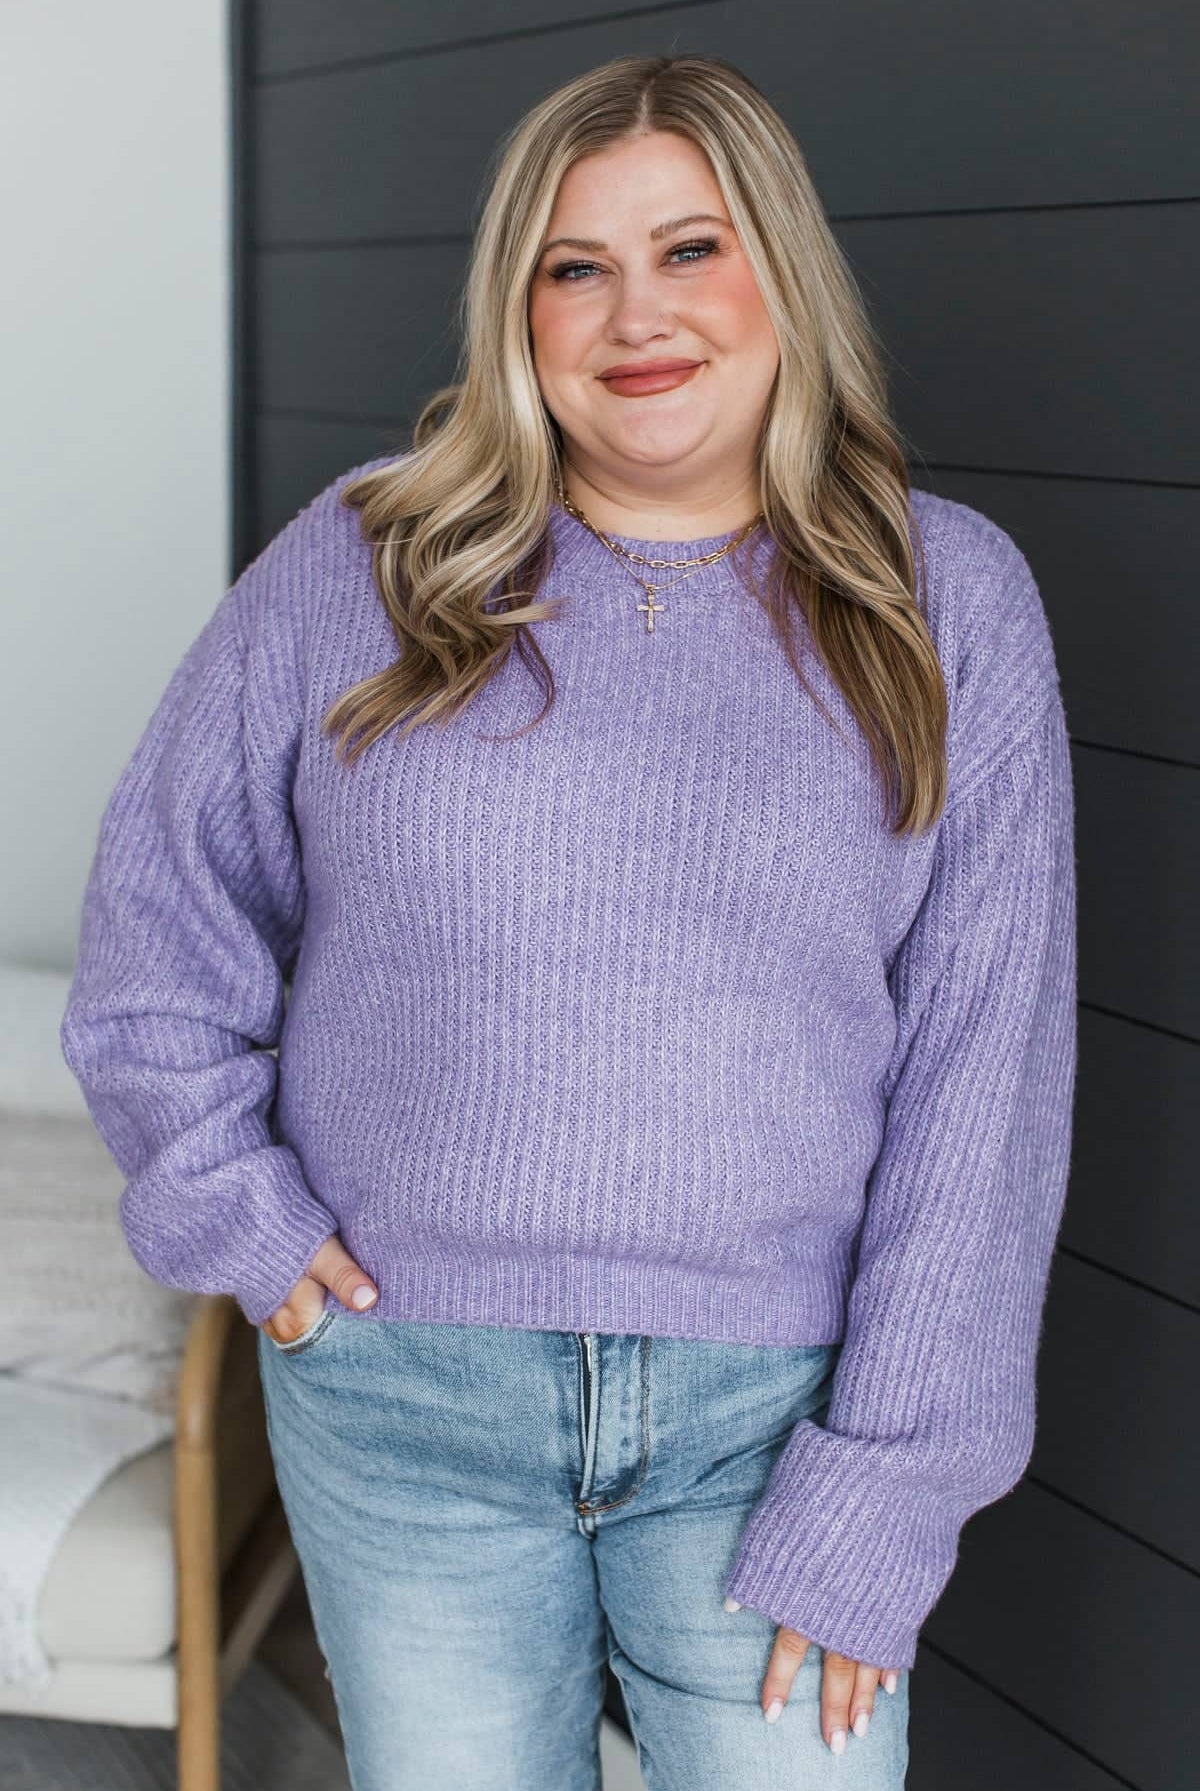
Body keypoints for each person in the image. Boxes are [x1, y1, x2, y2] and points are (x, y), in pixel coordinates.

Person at [59, 52, 1077, 1791]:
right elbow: (159, 935)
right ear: (516, 309)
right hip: (404, 1401)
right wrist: (250, 1233)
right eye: (574, 265)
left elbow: (986, 1085)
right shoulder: (364, 562)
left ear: (784, 270)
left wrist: (894, 1477)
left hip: (776, 1424)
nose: (635, 315)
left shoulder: (945, 600)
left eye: (690, 249)